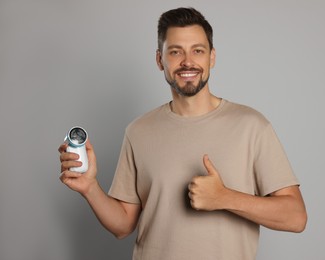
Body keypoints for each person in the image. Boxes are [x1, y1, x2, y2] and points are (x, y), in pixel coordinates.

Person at [58, 7, 307, 260]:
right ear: (159, 60)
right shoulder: (138, 131)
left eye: (197, 51)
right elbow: (123, 225)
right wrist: (90, 188)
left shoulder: (252, 126)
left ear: (212, 57)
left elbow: (296, 217)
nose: (187, 61)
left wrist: (224, 197)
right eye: (175, 52)